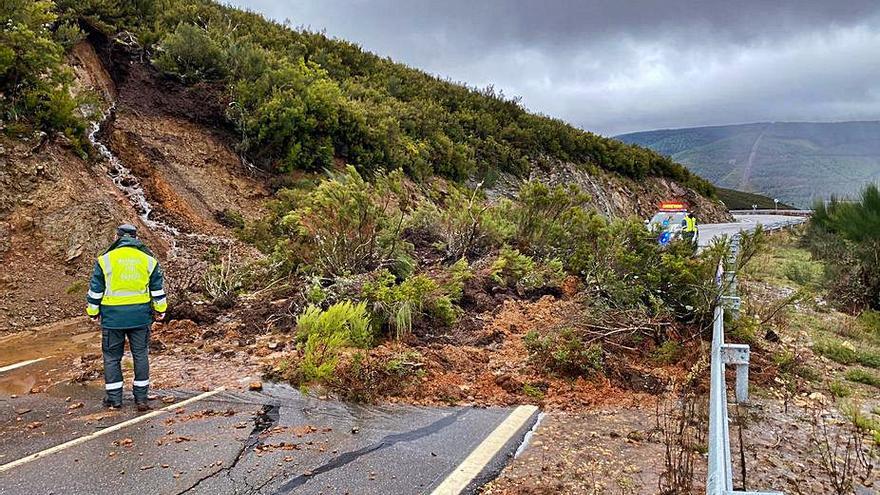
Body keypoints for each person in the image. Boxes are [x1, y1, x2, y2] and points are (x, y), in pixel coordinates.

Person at [86, 224, 167, 411]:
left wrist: (92, 312)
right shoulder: (148, 260)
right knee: (140, 354)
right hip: (140, 317)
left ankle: (115, 399)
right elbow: (157, 290)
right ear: (136, 237)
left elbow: (95, 291)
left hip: (113, 319)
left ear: (117, 237)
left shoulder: (105, 260)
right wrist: (160, 309)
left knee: (112, 357)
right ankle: (141, 399)